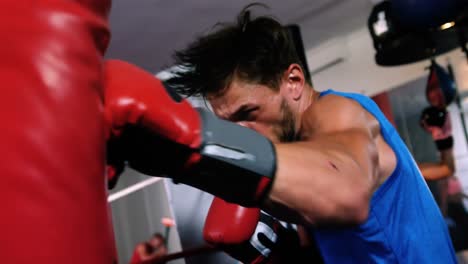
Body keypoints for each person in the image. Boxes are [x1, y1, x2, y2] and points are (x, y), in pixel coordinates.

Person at [104, 4, 457, 263]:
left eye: (249, 113)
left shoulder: (335, 113)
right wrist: (172, 160)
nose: (244, 133)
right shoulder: (303, 156)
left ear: (293, 81)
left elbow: (347, 191)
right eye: (229, 123)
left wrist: (194, 142)